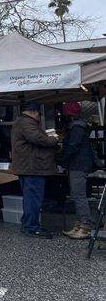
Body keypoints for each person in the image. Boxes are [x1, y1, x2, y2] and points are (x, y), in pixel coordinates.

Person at [11, 102, 58, 238]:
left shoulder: (20, 122)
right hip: (32, 167)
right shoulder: (26, 123)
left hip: (26, 167)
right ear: (34, 112)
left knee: (29, 197)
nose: (39, 117)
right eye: (39, 114)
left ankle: (27, 224)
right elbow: (37, 138)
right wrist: (53, 140)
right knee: (33, 198)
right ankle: (31, 227)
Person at [61, 101, 94, 240]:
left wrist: (64, 161)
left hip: (78, 165)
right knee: (77, 195)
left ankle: (85, 226)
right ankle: (80, 224)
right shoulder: (80, 126)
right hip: (80, 164)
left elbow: (73, 147)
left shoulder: (77, 128)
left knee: (78, 195)